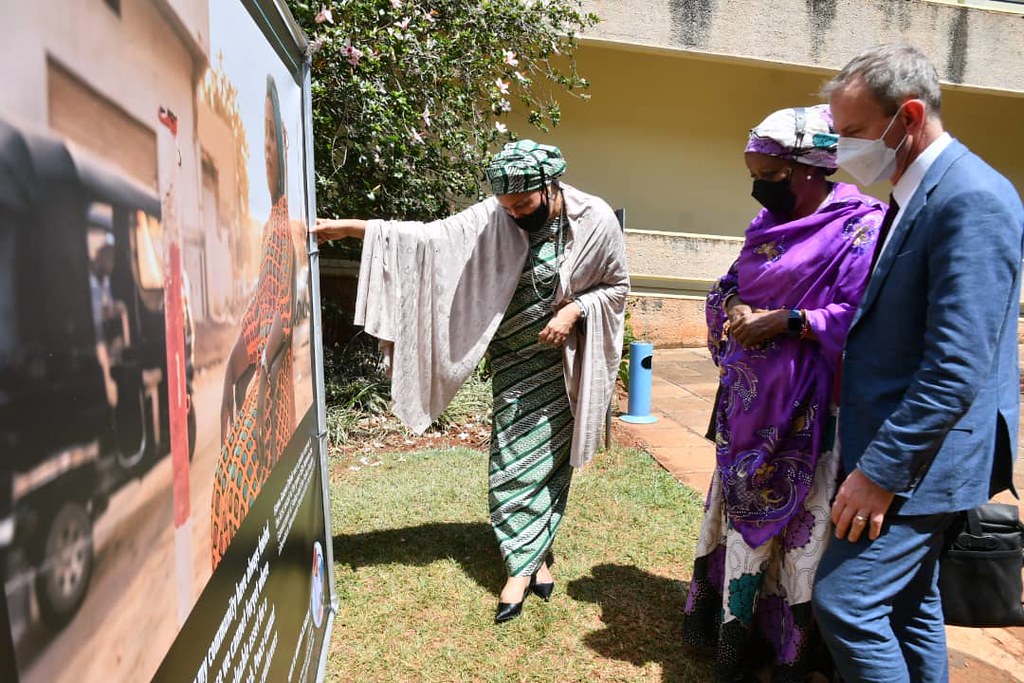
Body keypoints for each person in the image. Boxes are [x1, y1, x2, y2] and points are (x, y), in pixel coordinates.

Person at [313, 140, 628, 623]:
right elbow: (426, 239)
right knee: (512, 458)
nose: (514, 213)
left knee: (550, 461)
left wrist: (574, 309)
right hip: (514, 364)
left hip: (564, 364)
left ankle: (532, 558)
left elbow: (616, 287)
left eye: (523, 204)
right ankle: (522, 564)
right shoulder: (496, 215)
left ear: (550, 186)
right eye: (506, 205)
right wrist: (350, 230)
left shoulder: (597, 220)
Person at [811, 43, 1023, 683]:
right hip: (905, 447)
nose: (842, 150)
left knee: (846, 603)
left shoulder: (972, 198)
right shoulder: (918, 189)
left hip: (920, 461)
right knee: (908, 603)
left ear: (907, 117)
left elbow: (957, 365)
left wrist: (880, 472)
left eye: (852, 133)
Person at [683, 104, 886, 682]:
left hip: (812, 417)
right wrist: (737, 307)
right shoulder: (765, 225)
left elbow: (863, 317)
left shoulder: (861, 227)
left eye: (770, 177)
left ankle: (790, 652)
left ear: (809, 168)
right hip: (750, 411)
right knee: (741, 529)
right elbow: (731, 283)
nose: (758, 190)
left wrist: (787, 321)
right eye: (755, 175)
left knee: (801, 536)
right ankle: (734, 642)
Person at [211, 74, 297, 569]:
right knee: (235, 483)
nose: (266, 149)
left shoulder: (285, 223)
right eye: (261, 135)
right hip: (262, 375)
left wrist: (259, 371)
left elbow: (281, 315)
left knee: (234, 482)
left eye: (272, 136)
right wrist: (231, 369)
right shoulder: (274, 220)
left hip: (272, 387)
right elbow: (262, 308)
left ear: (283, 147)